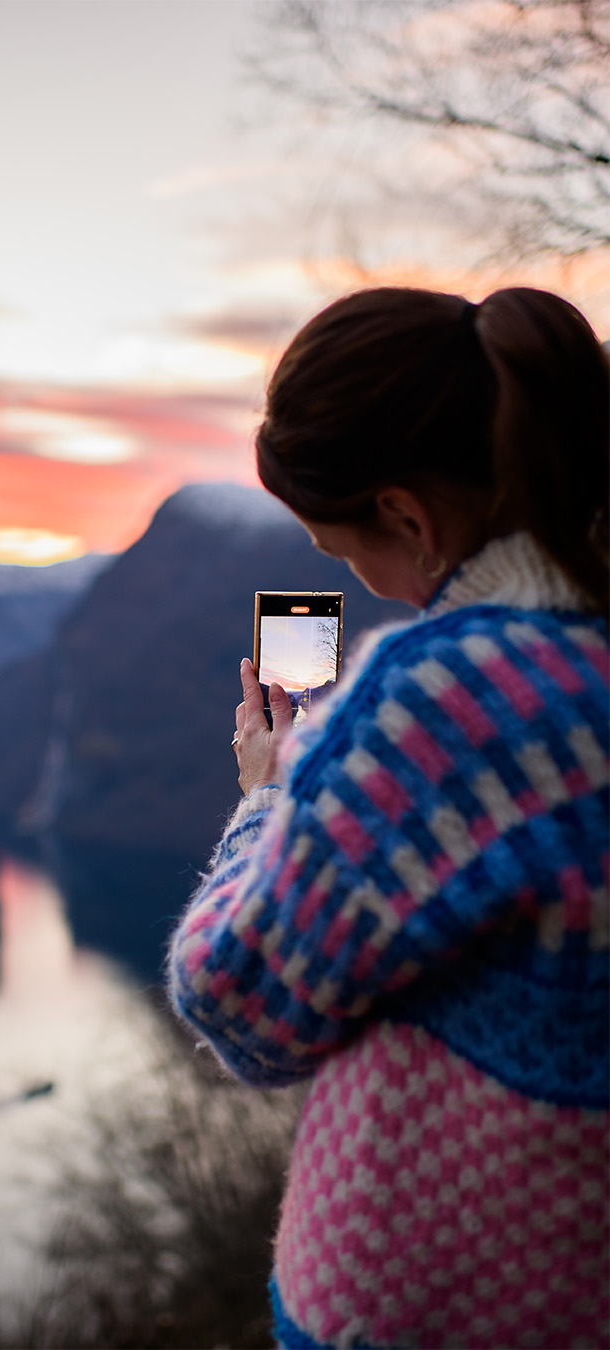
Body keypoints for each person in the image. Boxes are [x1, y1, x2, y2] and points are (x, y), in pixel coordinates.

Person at [166, 287, 609, 1350]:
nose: (357, 576)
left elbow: (239, 999)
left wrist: (269, 798)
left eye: (339, 546)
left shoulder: (449, 694)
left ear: (408, 516)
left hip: (445, 1306)